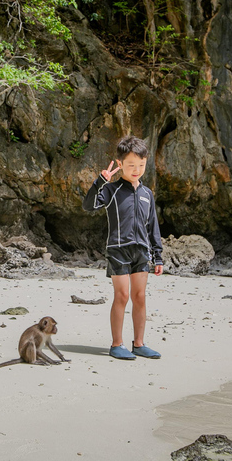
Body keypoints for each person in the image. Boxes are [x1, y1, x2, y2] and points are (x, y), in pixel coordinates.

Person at [82, 135, 164, 360]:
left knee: (140, 296)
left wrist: (158, 256)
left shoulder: (147, 194)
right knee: (122, 296)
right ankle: (117, 344)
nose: (136, 170)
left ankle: (139, 344)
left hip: (141, 251)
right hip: (118, 249)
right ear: (120, 165)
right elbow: (88, 205)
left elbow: (152, 226)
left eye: (141, 165)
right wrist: (101, 181)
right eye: (131, 165)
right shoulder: (112, 190)